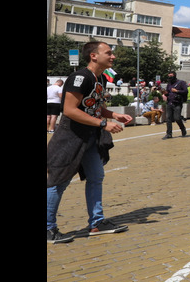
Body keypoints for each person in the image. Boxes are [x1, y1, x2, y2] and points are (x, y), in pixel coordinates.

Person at [47, 42, 133, 244]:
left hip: (90, 137)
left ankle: (97, 222)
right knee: (58, 180)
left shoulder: (100, 77)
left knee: (96, 176)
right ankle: (48, 227)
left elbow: (94, 106)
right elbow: (69, 110)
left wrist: (114, 115)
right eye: (109, 53)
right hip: (71, 136)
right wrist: (103, 123)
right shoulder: (80, 77)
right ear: (93, 56)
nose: (113, 57)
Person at [161, 71, 188, 139]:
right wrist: (165, 93)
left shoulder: (181, 82)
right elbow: (168, 93)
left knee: (177, 118)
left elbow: (185, 91)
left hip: (177, 103)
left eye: (171, 76)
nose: (170, 77)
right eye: (169, 76)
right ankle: (169, 134)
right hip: (169, 102)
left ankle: (183, 128)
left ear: (174, 76)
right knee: (168, 118)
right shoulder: (169, 84)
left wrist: (177, 91)